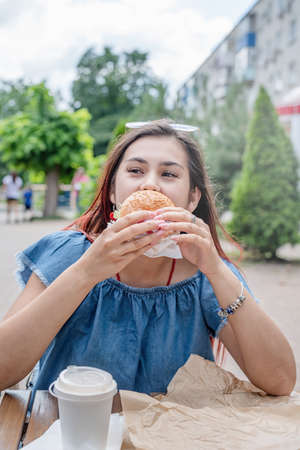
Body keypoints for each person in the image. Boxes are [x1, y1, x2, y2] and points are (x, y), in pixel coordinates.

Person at [0, 120, 296, 397]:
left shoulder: (207, 274)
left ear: (192, 199)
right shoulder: (67, 253)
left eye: (169, 174)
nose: (150, 184)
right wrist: (86, 272)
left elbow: (280, 381)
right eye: (135, 171)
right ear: (114, 190)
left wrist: (217, 270)